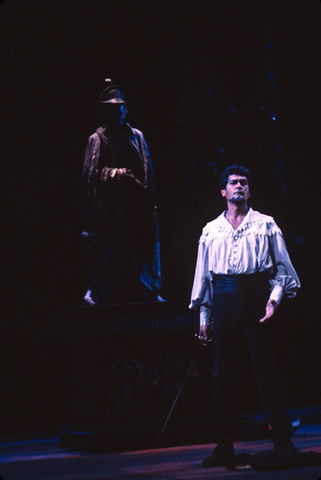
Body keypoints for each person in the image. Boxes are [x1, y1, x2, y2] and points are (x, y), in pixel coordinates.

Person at [189, 164, 301, 468]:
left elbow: (284, 268)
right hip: (224, 300)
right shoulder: (211, 230)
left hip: (254, 299)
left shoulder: (266, 224)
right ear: (223, 191)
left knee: (266, 373)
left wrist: (273, 300)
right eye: (233, 182)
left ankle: (282, 441)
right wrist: (204, 317)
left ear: (249, 190)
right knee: (221, 377)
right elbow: (204, 278)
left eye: (244, 182)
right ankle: (223, 447)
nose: (239, 186)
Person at [81, 79, 162, 305]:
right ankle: (95, 291)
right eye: (112, 107)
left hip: (134, 207)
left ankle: (149, 289)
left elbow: (147, 174)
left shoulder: (136, 136)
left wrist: (138, 192)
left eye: (120, 107)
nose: (117, 111)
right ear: (104, 110)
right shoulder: (96, 140)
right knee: (104, 252)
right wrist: (117, 175)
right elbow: (92, 179)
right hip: (108, 211)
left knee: (138, 250)